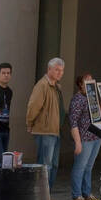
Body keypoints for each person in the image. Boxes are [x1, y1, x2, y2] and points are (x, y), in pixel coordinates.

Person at [25, 57, 65, 190]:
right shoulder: (42, 85)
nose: (60, 73)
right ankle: (42, 196)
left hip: (55, 131)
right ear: (49, 69)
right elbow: (33, 106)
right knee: (45, 166)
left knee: (53, 165)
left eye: (62, 70)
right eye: (57, 70)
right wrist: (29, 123)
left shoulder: (56, 87)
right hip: (45, 131)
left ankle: (47, 196)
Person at [68, 73, 101, 200]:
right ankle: (76, 195)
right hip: (84, 139)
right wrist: (77, 142)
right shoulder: (77, 99)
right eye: (87, 81)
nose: (90, 82)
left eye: (92, 80)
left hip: (95, 137)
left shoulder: (92, 98)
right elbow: (73, 122)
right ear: (81, 84)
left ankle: (86, 193)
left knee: (89, 167)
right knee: (80, 167)